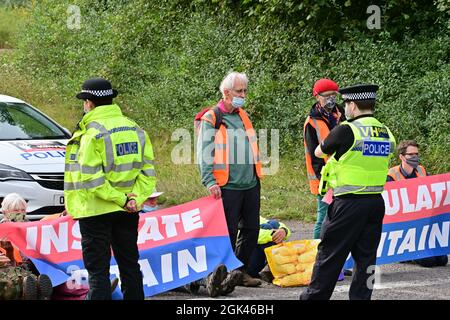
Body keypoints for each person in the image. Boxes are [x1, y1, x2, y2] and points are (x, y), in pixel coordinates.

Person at [300, 84, 396, 300]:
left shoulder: (347, 129)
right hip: (375, 203)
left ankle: (313, 298)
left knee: (329, 256)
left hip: (347, 203)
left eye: (346, 104)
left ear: (352, 104)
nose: (344, 108)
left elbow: (319, 151)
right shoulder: (385, 131)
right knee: (367, 259)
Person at [64, 77, 156, 300]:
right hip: (127, 210)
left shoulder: (91, 133)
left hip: (95, 211)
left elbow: (91, 179)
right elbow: (148, 173)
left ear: (89, 103)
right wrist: (133, 200)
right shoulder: (135, 129)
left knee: (98, 273)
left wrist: (120, 199)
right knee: (130, 266)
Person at [197, 71, 262, 287]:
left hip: (251, 183)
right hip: (228, 185)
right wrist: (209, 180)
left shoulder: (243, 115)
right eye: (239, 91)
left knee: (252, 229)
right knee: (229, 231)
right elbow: (204, 152)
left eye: (245, 90)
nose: (243, 95)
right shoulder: (212, 117)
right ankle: (222, 274)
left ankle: (240, 271)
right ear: (226, 93)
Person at [387, 140, 448, 268]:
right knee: (429, 262)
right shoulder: (392, 175)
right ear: (402, 156)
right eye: (411, 154)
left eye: (416, 154)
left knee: (442, 260)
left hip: (421, 225)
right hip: (403, 227)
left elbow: (432, 190)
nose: (415, 157)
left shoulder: (421, 171)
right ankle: (407, 254)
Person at [303, 78, 344, 239]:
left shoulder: (342, 114)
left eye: (334, 95)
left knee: (340, 217)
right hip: (324, 178)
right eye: (326, 95)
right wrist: (323, 181)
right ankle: (317, 254)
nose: (331, 99)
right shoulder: (311, 122)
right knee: (323, 217)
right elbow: (314, 156)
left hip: (343, 175)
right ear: (317, 97)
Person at [0, 193, 53, 300]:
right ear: (5, 212)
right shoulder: (1, 230)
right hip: (6, 269)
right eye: (15, 211)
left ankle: (40, 293)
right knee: (15, 283)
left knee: (31, 280)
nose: (20, 213)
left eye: (22, 210)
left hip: (25, 268)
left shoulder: (32, 229)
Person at [247, 217, 291, 283]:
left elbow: (274, 223)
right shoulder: (232, 217)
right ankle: (274, 268)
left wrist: (284, 230)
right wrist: (274, 234)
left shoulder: (250, 213)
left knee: (274, 224)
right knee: (266, 228)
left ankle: (273, 268)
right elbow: (250, 235)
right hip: (242, 260)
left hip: (256, 256)